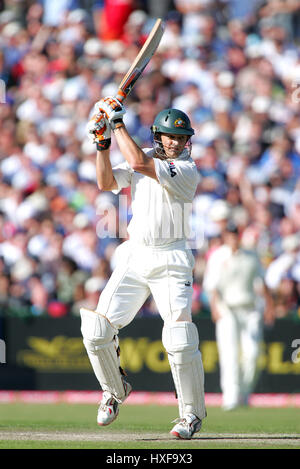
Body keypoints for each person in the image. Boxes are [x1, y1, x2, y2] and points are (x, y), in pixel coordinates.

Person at [79, 97, 207, 439]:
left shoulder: (187, 169)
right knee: (96, 329)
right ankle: (113, 391)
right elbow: (107, 183)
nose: (177, 143)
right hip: (136, 254)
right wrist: (102, 146)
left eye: (182, 138)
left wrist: (117, 123)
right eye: (170, 137)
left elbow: (135, 162)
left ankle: (191, 414)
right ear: (157, 136)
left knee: (179, 337)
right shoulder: (147, 156)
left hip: (172, 259)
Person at [203, 221, 275, 411]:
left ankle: (244, 392)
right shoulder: (218, 256)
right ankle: (231, 396)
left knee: (252, 354)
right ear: (225, 236)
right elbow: (211, 287)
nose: (233, 238)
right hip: (227, 309)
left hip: (250, 310)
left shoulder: (251, 256)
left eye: (236, 234)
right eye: (230, 234)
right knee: (229, 354)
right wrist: (215, 308)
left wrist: (270, 306)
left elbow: (262, 283)